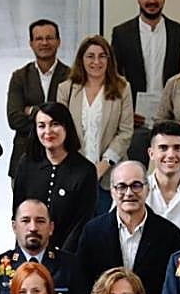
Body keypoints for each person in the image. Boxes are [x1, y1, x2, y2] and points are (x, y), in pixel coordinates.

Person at [77, 161, 180, 294]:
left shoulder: (169, 234)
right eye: (121, 186)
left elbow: (175, 289)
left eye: (136, 185)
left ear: (147, 188)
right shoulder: (93, 232)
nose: (129, 193)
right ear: (112, 191)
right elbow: (83, 283)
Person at [55, 35, 133, 210]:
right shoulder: (66, 89)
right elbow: (60, 131)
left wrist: (103, 165)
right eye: (90, 56)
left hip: (110, 176)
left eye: (102, 56)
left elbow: (125, 132)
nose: (96, 62)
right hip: (73, 174)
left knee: (106, 231)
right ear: (81, 59)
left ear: (109, 59)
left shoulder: (122, 88)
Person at [11, 102, 98, 252]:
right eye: (41, 125)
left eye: (55, 124)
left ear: (67, 127)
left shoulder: (86, 170)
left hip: (69, 257)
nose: (48, 131)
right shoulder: (26, 163)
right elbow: (18, 212)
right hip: (29, 252)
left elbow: (82, 222)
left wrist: (61, 259)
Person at [0, 199, 84, 294]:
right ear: (14, 227)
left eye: (40, 221)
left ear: (51, 228)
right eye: (25, 221)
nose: (33, 228)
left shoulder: (70, 266)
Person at [110, 0, 180, 136]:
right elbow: (113, 76)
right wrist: (125, 111)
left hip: (172, 119)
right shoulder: (121, 34)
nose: (152, 0)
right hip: (134, 122)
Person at [6, 19, 70, 177]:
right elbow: (14, 119)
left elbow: (70, 119)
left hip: (62, 159)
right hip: (24, 158)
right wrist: (53, 121)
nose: (44, 43)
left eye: (49, 38)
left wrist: (32, 110)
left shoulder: (71, 76)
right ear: (31, 43)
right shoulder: (19, 77)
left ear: (58, 41)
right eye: (39, 39)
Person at [147, 120, 180, 243]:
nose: (170, 154)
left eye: (177, 148)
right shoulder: (133, 190)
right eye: (163, 148)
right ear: (151, 153)